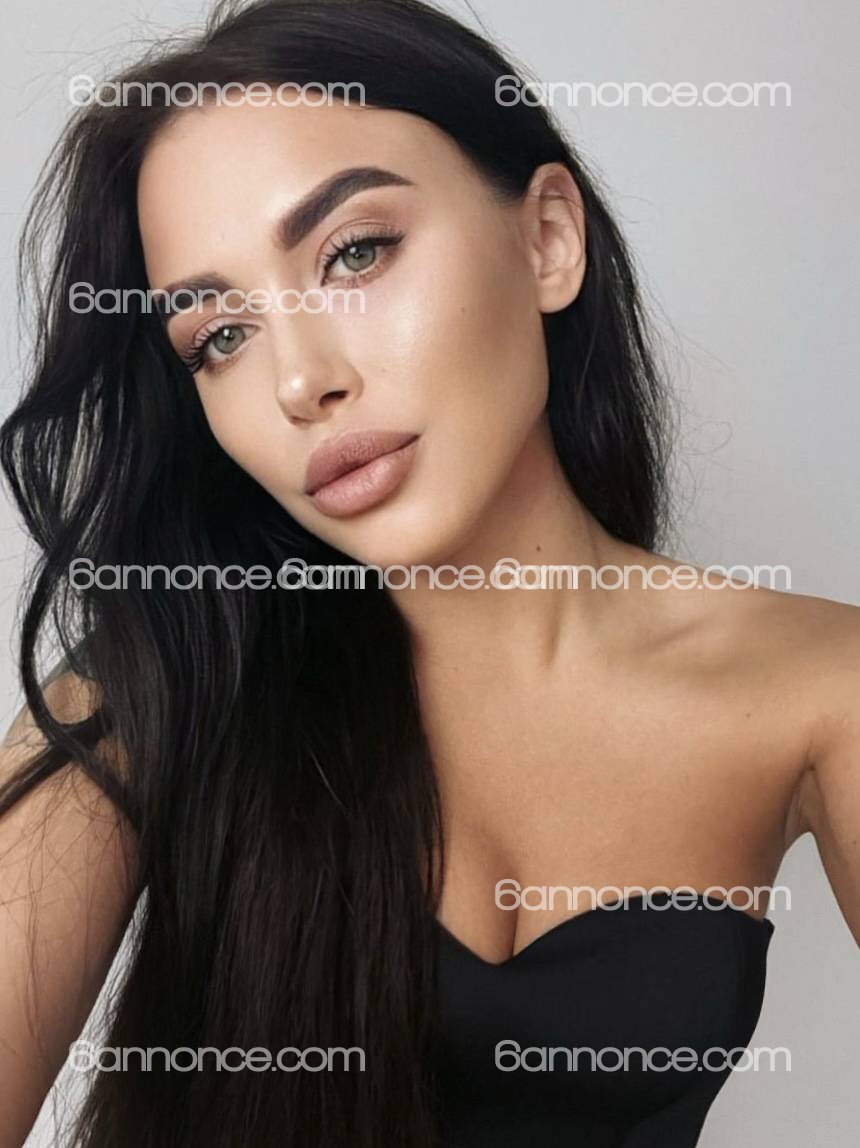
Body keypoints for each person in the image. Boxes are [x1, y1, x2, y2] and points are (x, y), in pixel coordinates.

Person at [0, 1, 857, 1145]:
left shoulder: (821, 685)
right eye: (220, 335)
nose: (299, 381)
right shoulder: (152, 687)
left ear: (545, 239)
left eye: (353, 251)